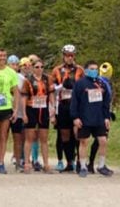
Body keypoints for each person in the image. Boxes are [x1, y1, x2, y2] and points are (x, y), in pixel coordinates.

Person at [71, 60, 114, 177]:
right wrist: (75, 117)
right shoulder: (80, 84)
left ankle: (101, 165)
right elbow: (74, 102)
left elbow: (106, 102)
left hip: (99, 118)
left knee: (103, 141)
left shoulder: (102, 83)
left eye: (96, 69)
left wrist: (106, 117)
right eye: (92, 69)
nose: (94, 71)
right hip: (84, 118)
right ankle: (83, 166)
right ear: (86, 70)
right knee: (84, 141)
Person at [51, 44, 84, 172]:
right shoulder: (57, 70)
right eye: (67, 56)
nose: (69, 58)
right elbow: (51, 88)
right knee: (64, 134)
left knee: (77, 133)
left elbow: (85, 86)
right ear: (63, 56)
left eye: (71, 55)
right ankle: (69, 161)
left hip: (76, 105)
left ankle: (79, 161)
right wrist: (61, 87)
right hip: (62, 104)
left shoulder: (80, 70)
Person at [21, 58, 55, 173]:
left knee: (44, 138)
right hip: (31, 109)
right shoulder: (28, 80)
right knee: (29, 137)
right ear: (32, 68)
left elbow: (50, 95)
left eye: (41, 67)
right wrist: (24, 113)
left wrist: (53, 108)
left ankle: (46, 164)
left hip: (43, 109)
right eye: (37, 67)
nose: (39, 69)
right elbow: (24, 97)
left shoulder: (48, 79)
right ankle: (26, 163)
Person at [88, 61, 114, 173]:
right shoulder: (102, 83)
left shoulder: (105, 82)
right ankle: (92, 163)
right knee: (100, 139)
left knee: (100, 139)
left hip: (103, 112)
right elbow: (106, 101)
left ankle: (93, 163)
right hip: (99, 114)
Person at [7, 55, 26, 171]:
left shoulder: (21, 78)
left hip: (17, 111)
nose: (14, 66)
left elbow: (23, 94)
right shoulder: (4, 75)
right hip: (5, 108)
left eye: (16, 64)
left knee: (17, 137)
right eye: (11, 64)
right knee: (3, 136)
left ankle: (18, 161)